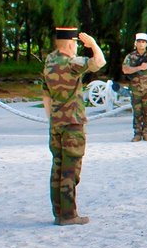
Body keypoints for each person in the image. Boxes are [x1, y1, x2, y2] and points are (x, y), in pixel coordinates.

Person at [42, 26, 105, 226]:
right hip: (73, 124)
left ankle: (58, 212)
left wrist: (53, 118)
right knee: (71, 170)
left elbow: (45, 95)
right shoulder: (72, 63)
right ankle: (69, 215)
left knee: (57, 167)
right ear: (70, 44)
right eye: (76, 43)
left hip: (56, 123)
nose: (77, 47)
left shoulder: (49, 62)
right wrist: (93, 44)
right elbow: (99, 62)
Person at [121, 32, 147, 142]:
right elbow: (125, 69)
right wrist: (139, 67)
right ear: (136, 43)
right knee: (137, 112)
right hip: (136, 89)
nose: (141, 44)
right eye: (139, 42)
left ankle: (146, 132)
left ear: (146, 44)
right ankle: (137, 133)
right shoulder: (130, 56)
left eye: (143, 42)